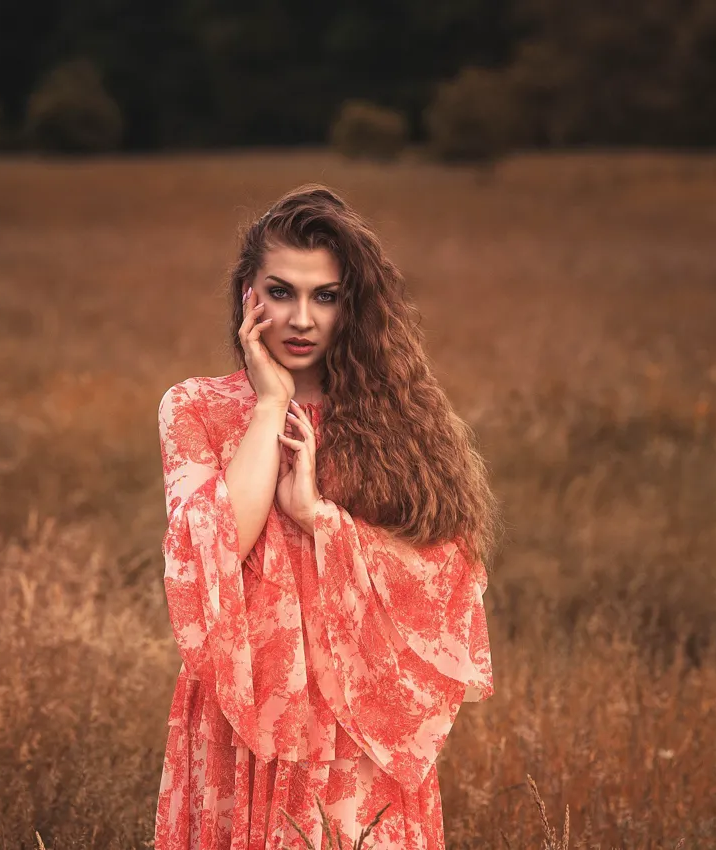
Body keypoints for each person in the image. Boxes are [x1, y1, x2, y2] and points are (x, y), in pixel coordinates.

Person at [154, 184, 499, 849]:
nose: (302, 319)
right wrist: (267, 404)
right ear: (246, 296)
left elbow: (446, 582)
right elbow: (216, 551)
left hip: (357, 717)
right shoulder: (194, 408)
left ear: (354, 305)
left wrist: (317, 517)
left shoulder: (398, 418)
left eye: (326, 296)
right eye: (280, 292)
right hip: (245, 708)